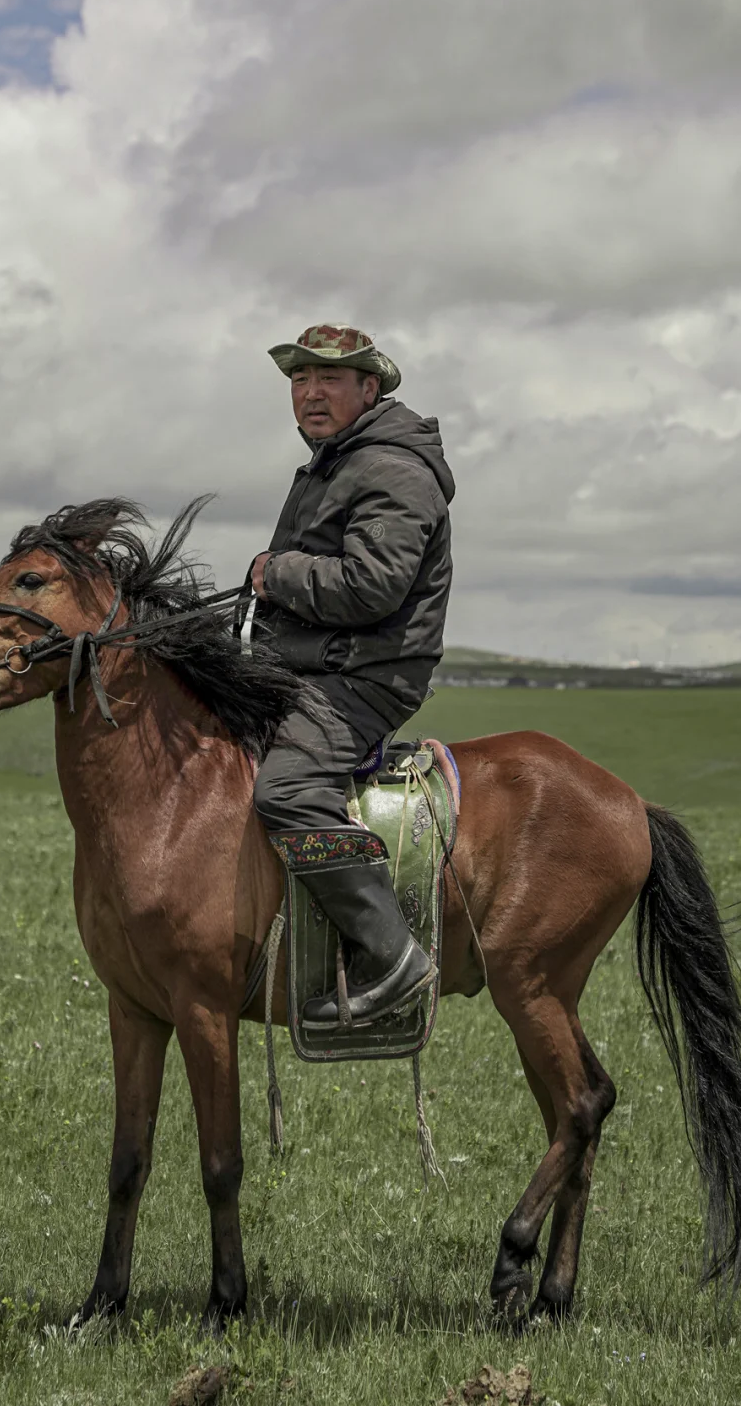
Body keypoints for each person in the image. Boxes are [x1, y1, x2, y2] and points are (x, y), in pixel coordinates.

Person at [249, 323, 455, 1027]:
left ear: (369, 388)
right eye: (300, 379)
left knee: (287, 789)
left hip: (363, 678)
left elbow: (373, 586)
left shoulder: (392, 469)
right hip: (313, 667)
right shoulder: (334, 463)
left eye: (328, 378)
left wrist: (277, 573)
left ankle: (392, 956)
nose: (310, 392)